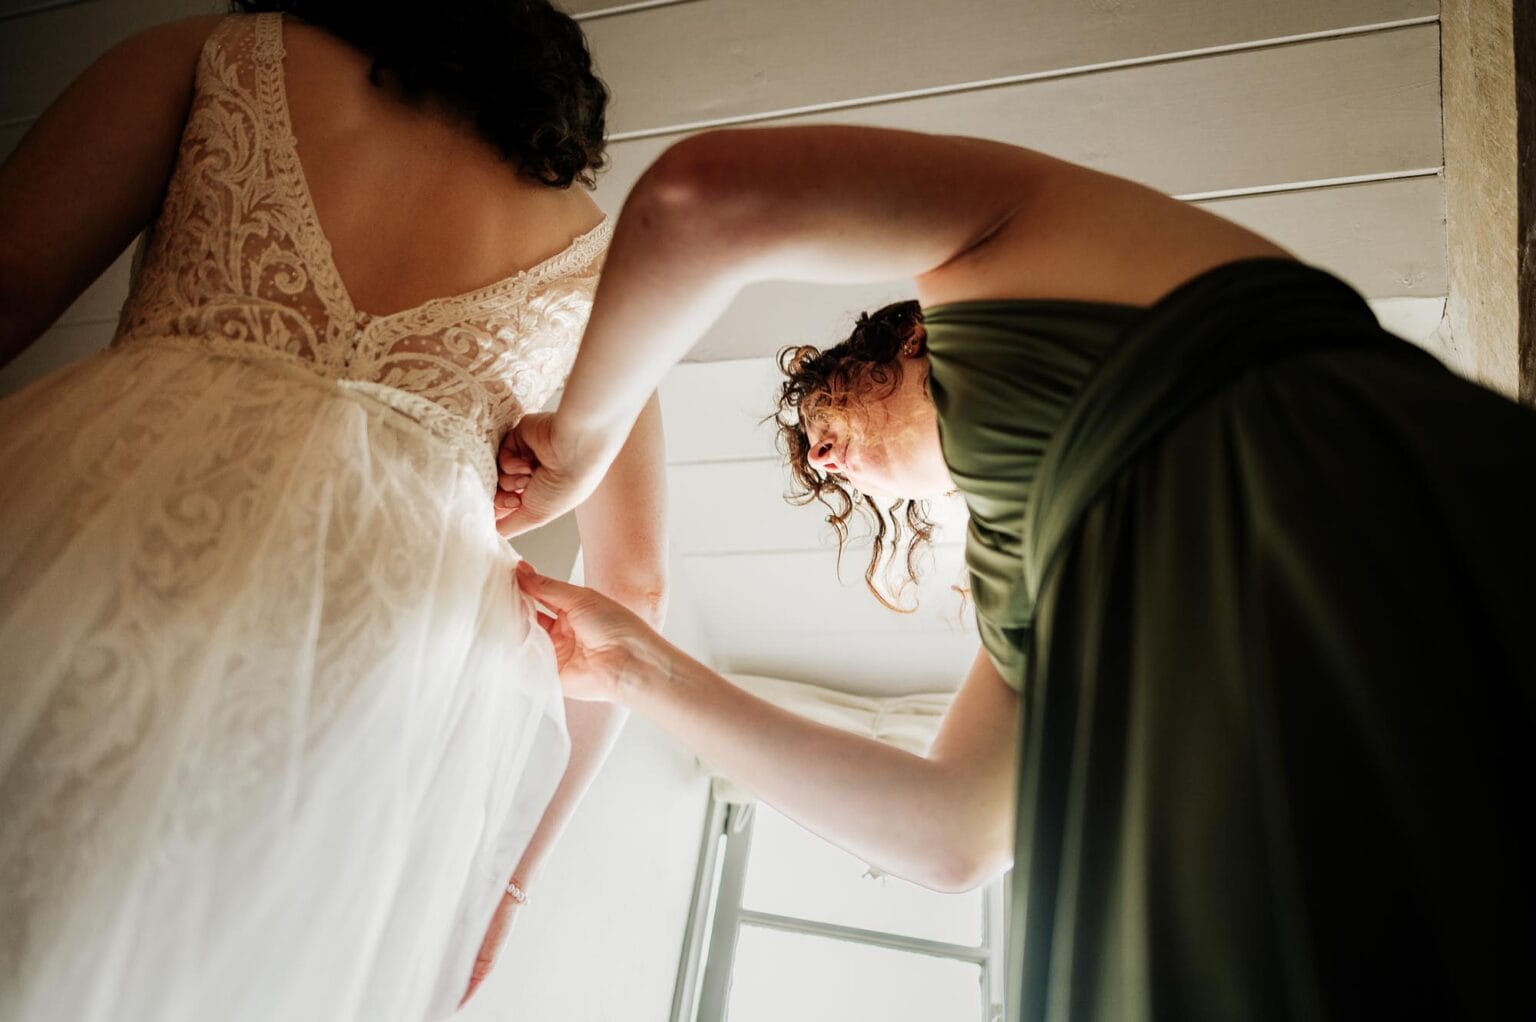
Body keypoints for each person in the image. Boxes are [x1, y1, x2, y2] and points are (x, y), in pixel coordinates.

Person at [498, 125, 1536, 1020]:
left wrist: (584, 436)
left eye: (826, 417)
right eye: (821, 462)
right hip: (1214, 841)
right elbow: (952, 835)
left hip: (1363, 526)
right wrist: (642, 671)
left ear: (899, 338)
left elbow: (695, 198)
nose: (822, 457)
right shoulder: (1027, 575)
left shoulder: (987, 258)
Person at [0, 3, 665, 1019]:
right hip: (364, 672)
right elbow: (636, 586)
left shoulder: (224, 54)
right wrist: (510, 873)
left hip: (119, 508)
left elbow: (10, 278)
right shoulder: (604, 263)